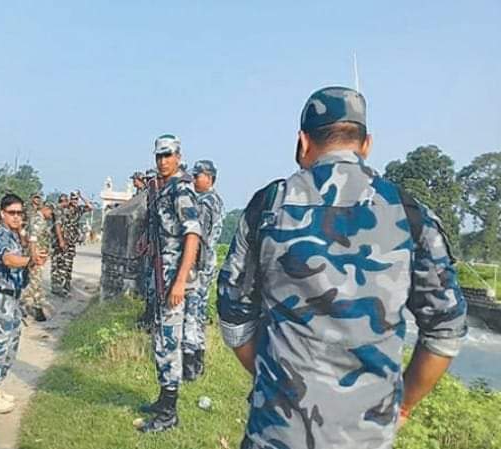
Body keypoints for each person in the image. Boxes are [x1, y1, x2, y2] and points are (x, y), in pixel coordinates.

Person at [217, 86, 468, 449]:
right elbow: (446, 332)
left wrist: (275, 381)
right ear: (366, 144)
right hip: (366, 435)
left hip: (276, 431)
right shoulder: (410, 213)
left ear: (303, 142)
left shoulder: (269, 207)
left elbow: (234, 321)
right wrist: (403, 404)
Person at [138, 134, 201, 433]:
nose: (162, 161)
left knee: (169, 342)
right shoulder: (161, 189)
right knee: (160, 341)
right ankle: (163, 401)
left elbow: (193, 236)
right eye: (158, 156)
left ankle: (169, 413)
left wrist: (179, 282)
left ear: (178, 155)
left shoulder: (181, 189)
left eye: (168, 155)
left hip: (174, 280)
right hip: (160, 277)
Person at [0, 193, 46, 414]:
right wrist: (30, 260)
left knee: (10, 347)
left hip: (14, 298)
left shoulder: (16, 236)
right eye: (12, 213)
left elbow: (25, 258)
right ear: (2, 214)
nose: (17, 217)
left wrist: (30, 248)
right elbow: (8, 259)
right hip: (0, 298)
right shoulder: (1, 235)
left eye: (20, 213)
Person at [183, 160, 224, 380]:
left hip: (198, 265)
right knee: (197, 313)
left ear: (209, 177)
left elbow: (197, 237)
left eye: (198, 175)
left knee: (192, 311)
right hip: (205, 265)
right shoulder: (213, 200)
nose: (194, 179)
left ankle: (190, 362)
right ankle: (197, 360)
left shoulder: (206, 202)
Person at [24, 201, 54, 321]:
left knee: (35, 282)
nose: (52, 216)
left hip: (39, 256)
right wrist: (33, 255)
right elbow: (32, 239)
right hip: (36, 257)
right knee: (35, 282)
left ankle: (34, 306)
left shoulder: (39, 219)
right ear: (46, 209)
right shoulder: (38, 220)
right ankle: (30, 305)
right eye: (51, 213)